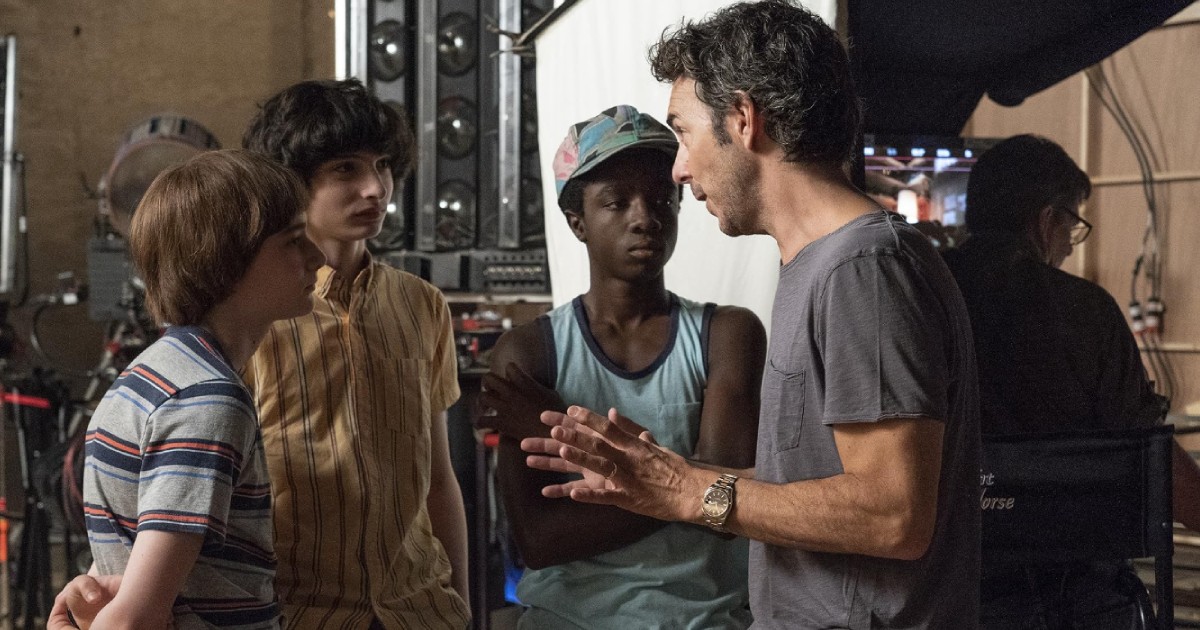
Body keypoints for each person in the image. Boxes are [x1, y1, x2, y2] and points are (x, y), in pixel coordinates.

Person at [519, 2, 981, 628]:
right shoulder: (819, 265)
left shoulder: (862, 268)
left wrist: (686, 492)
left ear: (742, 119)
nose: (680, 170)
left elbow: (892, 515)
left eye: (683, 133)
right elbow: (811, 484)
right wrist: (659, 475)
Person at [54, 80, 472, 630]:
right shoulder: (249, 318)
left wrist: (460, 604)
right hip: (292, 613)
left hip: (419, 610)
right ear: (291, 182)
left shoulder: (422, 305)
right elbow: (166, 503)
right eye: (345, 169)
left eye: (384, 165)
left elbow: (437, 479)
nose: (375, 188)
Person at [476, 105, 766, 629]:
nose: (644, 217)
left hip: (701, 620)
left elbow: (724, 512)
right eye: (616, 202)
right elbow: (539, 542)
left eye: (661, 200)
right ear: (577, 222)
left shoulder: (729, 334)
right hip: (566, 621)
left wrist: (567, 430)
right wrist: (688, 483)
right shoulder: (529, 351)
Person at [942, 133, 1200, 628]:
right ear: (1046, 221)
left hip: (942, 590)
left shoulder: (921, 292)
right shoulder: (1085, 311)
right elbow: (1152, 458)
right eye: (1072, 228)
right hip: (1070, 599)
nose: (1067, 248)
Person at [79, 148, 324, 628]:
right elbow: (134, 617)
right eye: (294, 241)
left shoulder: (152, 373)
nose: (318, 257)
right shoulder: (207, 400)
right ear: (226, 262)